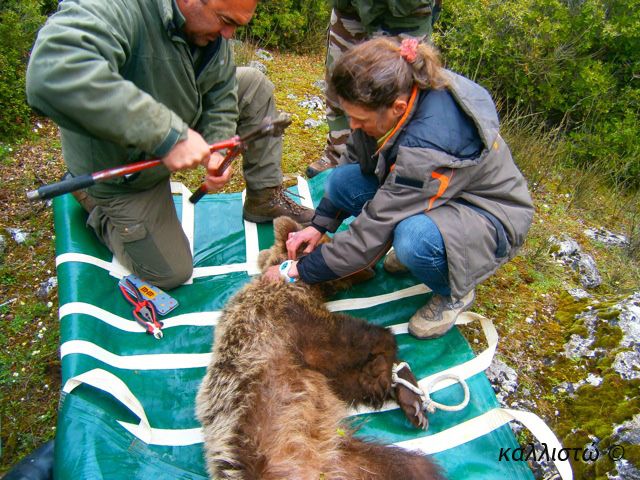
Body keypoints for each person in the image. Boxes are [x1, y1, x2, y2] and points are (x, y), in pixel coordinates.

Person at [26, 0, 314, 290]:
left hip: (176, 111)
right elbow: (51, 74)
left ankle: (263, 199)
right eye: (225, 20)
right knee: (170, 272)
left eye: (236, 25)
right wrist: (169, 135)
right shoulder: (116, 6)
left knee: (253, 84)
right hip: (121, 169)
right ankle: (90, 198)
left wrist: (216, 149)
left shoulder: (211, 31)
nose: (228, 34)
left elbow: (221, 93)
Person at [267, 37, 534, 340]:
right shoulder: (395, 93)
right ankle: (429, 249)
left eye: (359, 119)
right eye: (349, 115)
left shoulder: (427, 148)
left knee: (412, 240)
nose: (352, 125)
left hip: (489, 213)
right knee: (340, 181)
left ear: (397, 108)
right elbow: (357, 159)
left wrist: (295, 271)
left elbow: (369, 236)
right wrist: (318, 225)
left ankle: (453, 292)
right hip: (436, 192)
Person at [306, 0, 442, 178]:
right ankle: (338, 154)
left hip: (404, 12)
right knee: (340, 82)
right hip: (350, 7)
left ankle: (392, 168)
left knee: (396, 91)